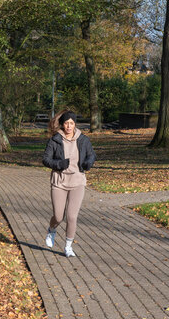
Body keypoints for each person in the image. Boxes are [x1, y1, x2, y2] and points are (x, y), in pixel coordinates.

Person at [42, 110, 96, 257]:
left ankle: (68, 246)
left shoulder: (83, 139)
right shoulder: (55, 140)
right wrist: (59, 163)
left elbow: (92, 155)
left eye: (72, 123)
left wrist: (88, 163)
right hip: (59, 181)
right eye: (66, 123)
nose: (69, 126)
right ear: (62, 124)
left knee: (71, 216)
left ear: (75, 124)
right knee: (59, 216)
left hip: (77, 181)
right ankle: (51, 230)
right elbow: (46, 159)